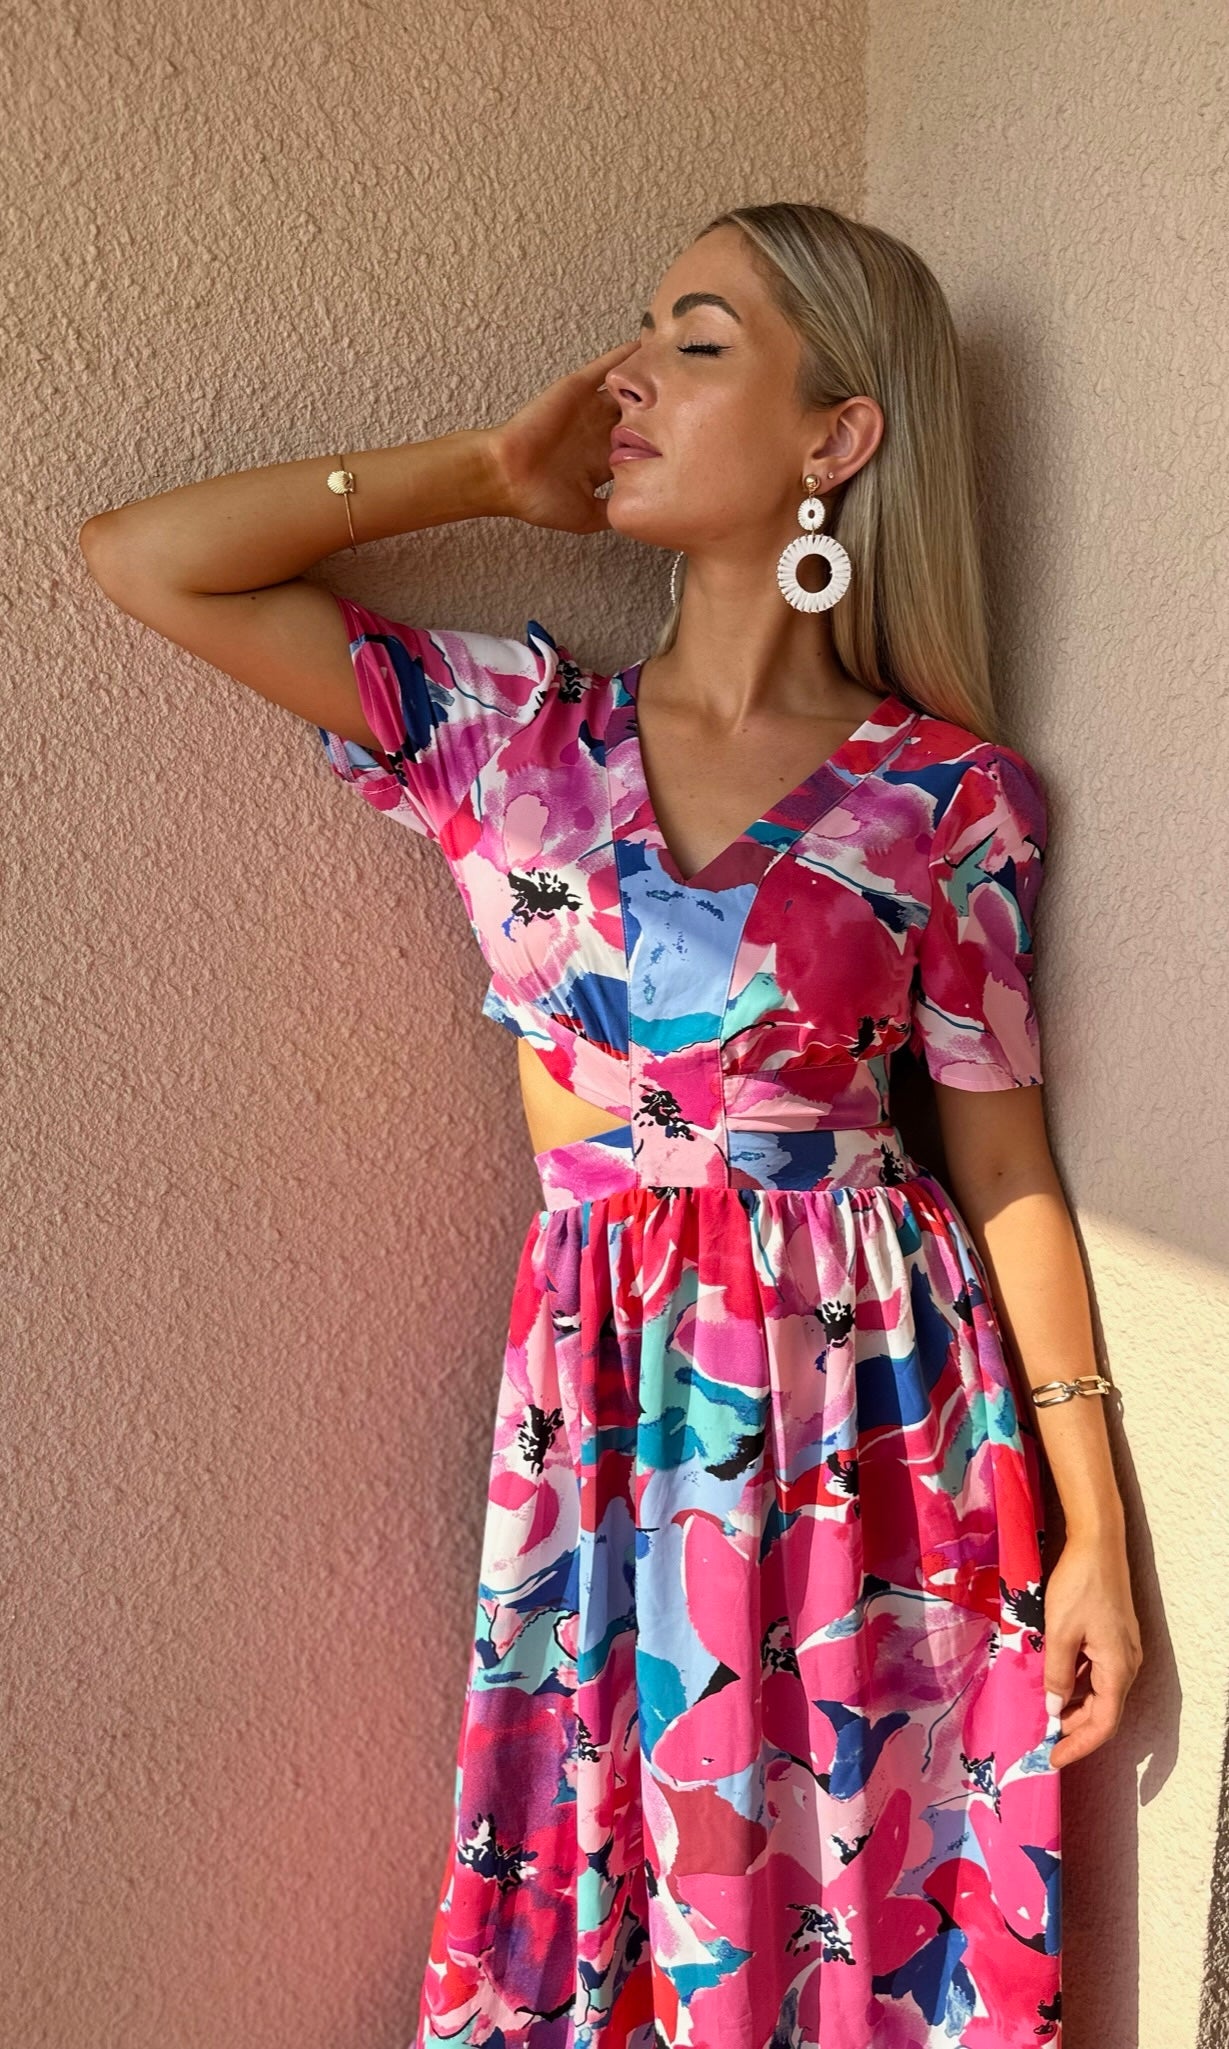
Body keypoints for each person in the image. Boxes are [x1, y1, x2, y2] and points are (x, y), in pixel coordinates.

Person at [80, 200, 1141, 2049]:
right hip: (609, 1402)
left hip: (880, 1406)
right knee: (617, 1901)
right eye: (639, 326)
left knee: (867, 1913)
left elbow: (1001, 1164)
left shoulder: (946, 795)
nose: (630, 372)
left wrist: (1094, 1531)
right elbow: (147, 559)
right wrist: (490, 470)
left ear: (838, 436)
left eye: (701, 339)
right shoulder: (514, 732)